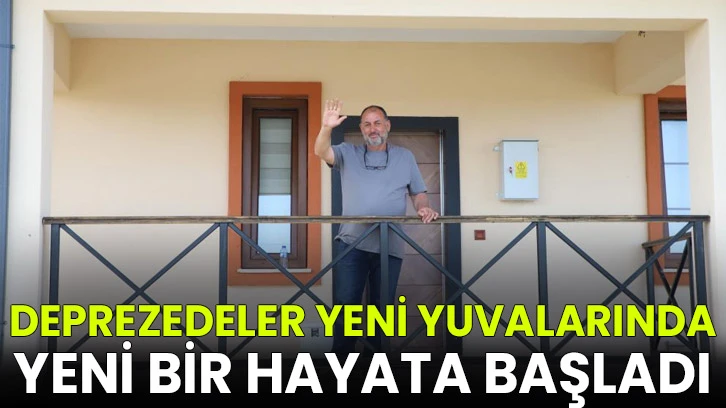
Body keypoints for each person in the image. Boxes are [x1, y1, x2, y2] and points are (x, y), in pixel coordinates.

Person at [313, 99, 439, 358]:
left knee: (381, 310)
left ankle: (376, 364)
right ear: (361, 129)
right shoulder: (347, 153)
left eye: (378, 123)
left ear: (387, 126)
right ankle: (341, 364)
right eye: (367, 124)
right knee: (346, 307)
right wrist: (326, 128)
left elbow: (418, 193)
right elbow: (321, 151)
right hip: (351, 244)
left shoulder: (405, 157)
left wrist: (424, 208)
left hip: (389, 246)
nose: (373, 129)